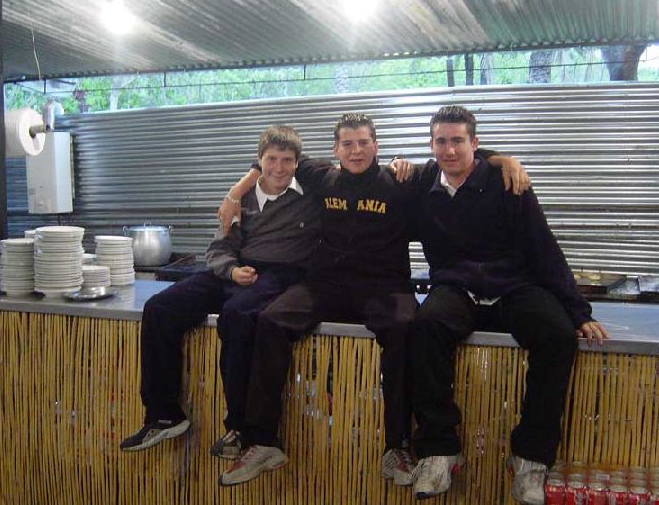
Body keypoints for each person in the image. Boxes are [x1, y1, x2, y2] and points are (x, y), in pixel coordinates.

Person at [216, 113, 529, 487]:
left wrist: (503, 159)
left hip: (384, 287)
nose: (356, 150)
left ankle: (396, 446)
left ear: (376, 146)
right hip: (326, 284)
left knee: (405, 328)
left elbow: (453, 157)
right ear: (336, 149)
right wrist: (236, 192)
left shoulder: (401, 179)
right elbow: (271, 158)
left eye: (364, 142)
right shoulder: (322, 176)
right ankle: (263, 441)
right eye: (348, 144)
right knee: (270, 320)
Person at [407, 105, 609, 504]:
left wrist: (578, 312)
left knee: (557, 334)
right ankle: (439, 451)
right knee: (424, 326)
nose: (450, 150)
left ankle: (530, 458)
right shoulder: (423, 184)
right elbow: (371, 171)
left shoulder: (507, 182)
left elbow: (543, 247)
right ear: (431, 145)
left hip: (514, 286)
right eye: (441, 141)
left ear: (475, 143)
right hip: (457, 288)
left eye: (458, 141)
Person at [119, 125, 321, 457]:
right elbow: (219, 248)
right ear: (259, 160)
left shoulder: (308, 195)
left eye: (287, 160)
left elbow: (333, 167)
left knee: (237, 315)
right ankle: (164, 414)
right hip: (234, 269)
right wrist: (231, 269)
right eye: (271, 159)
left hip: (280, 272)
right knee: (159, 308)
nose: (279, 168)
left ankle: (239, 427)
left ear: (297, 162)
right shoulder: (242, 200)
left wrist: (241, 181)